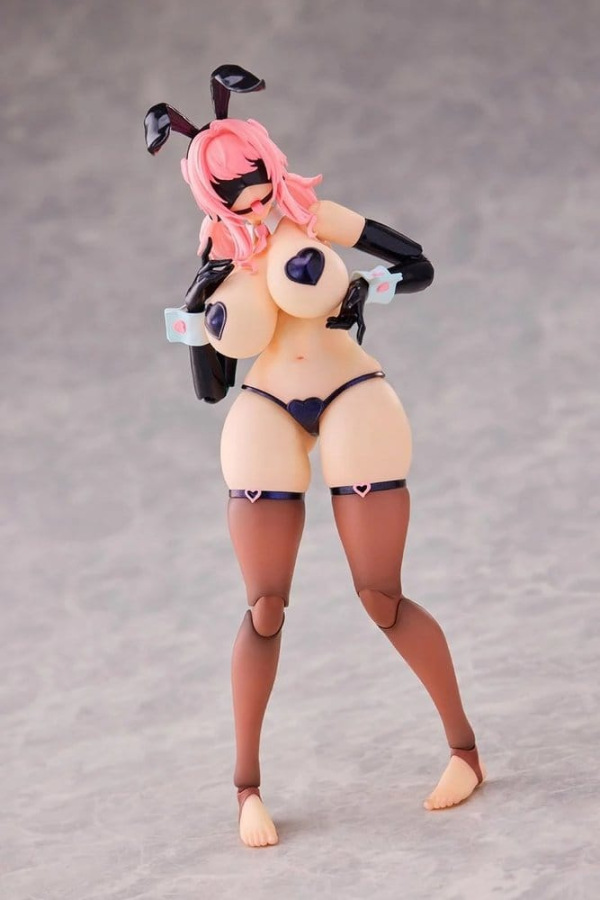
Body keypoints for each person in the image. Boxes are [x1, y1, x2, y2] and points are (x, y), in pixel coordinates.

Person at [145, 65, 484, 849]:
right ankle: (247, 788)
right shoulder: (218, 250)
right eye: (235, 192)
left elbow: (418, 264)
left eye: (257, 180)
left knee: (380, 595)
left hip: (350, 390)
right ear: (209, 194)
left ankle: (464, 750)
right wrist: (201, 312)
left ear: (270, 162)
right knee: (264, 606)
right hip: (265, 403)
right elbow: (212, 387)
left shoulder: (312, 216)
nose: (253, 199)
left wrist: (365, 290)